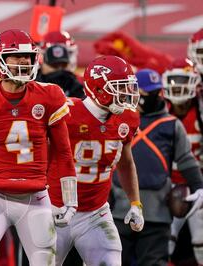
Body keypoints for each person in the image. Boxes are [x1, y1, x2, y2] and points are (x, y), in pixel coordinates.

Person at [0, 29, 77, 266]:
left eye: (27, 56)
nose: (24, 61)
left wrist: (70, 199)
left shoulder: (49, 95)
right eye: (16, 56)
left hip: (37, 197)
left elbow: (64, 152)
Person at [49, 55, 143, 266]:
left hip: (95, 212)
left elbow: (126, 163)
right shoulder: (66, 113)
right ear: (98, 89)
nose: (126, 94)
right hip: (55, 209)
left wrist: (135, 202)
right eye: (118, 87)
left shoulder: (127, 118)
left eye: (127, 87)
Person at [111, 68, 203, 266]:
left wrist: (199, 187)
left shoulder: (171, 124)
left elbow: (186, 160)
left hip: (157, 211)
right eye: (145, 93)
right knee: (115, 261)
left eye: (154, 92)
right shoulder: (118, 119)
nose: (150, 97)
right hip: (119, 208)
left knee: (154, 262)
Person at [162, 59, 203, 265]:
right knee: (166, 239)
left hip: (198, 185)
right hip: (168, 185)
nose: (178, 87)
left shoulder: (199, 112)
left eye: (183, 81)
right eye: (174, 81)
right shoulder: (159, 110)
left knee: (200, 240)